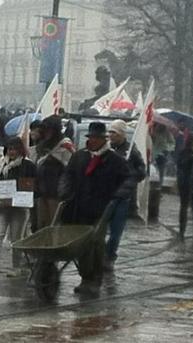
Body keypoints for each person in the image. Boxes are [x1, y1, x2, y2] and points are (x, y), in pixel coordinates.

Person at [59, 122, 129, 294]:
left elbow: (126, 181)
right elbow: (68, 175)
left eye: (97, 138)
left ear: (103, 139)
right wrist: (64, 191)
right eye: (92, 138)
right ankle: (85, 277)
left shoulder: (114, 160)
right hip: (78, 206)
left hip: (101, 208)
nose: (94, 141)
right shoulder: (79, 157)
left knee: (95, 244)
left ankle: (94, 279)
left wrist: (118, 196)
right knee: (82, 245)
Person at [0, 137, 36, 276]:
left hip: (20, 209)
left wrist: (25, 196)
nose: (12, 152)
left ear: (20, 150)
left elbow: (34, 186)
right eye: (10, 149)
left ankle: (16, 267)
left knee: (16, 238)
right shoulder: (1, 164)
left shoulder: (29, 165)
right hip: (2, 206)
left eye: (15, 149)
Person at [106, 120, 146, 270]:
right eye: (110, 132)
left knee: (116, 231)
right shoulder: (106, 150)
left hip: (122, 197)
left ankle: (110, 255)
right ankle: (99, 254)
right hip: (105, 195)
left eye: (114, 132)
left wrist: (128, 177)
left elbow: (141, 172)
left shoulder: (131, 151)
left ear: (122, 134)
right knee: (100, 229)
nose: (111, 135)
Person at [34, 115, 74, 231]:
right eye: (45, 129)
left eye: (49, 129)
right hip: (42, 188)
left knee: (54, 223)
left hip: (56, 189)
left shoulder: (64, 144)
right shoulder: (42, 144)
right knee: (42, 223)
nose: (47, 132)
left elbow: (70, 164)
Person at [177, 133, 193, 240]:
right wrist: (192, 157)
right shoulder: (184, 152)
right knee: (184, 207)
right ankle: (181, 230)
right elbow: (181, 165)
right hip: (185, 184)